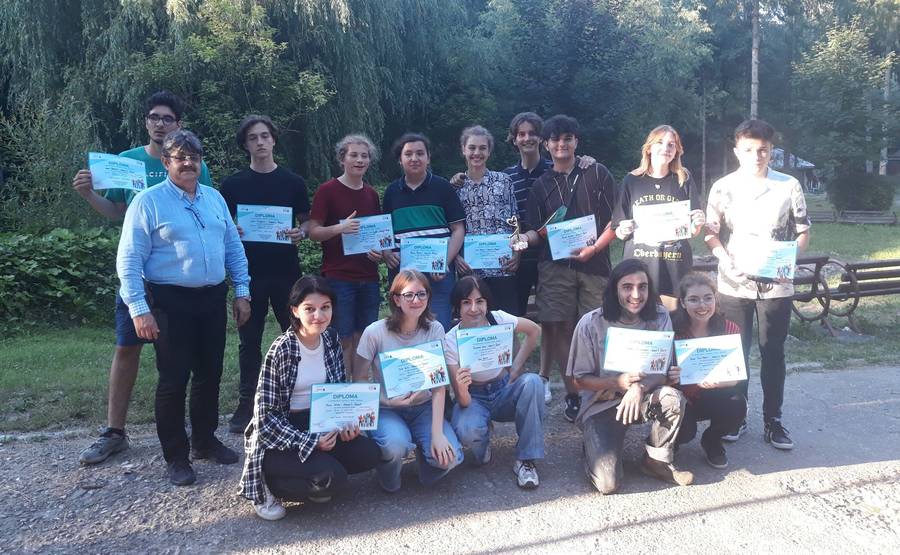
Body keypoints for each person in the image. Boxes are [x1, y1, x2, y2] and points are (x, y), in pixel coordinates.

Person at [72, 91, 213, 465]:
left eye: (167, 118)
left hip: (178, 283)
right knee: (127, 348)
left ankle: (199, 435)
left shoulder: (194, 163)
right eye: (154, 117)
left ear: (178, 124)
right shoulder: (127, 161)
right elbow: (116, 211)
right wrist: (88, 195)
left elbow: (205, 209)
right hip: (138, 276)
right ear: (146, 122)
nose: (160, 124)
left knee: (183, 361)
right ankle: (114, 431)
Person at [117, 130, 250, 486]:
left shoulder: (214, 198)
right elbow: (129, 259)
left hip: (211, 298)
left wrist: (242, 291)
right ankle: (176, 456)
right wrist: (138, 309)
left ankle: (204, 441)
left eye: (194, 157)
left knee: (210, 373)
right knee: (174, 379)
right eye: (180, 157)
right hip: (169, 302)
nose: (188, 163)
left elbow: (233, 247)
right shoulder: (148, 202)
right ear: (166, 161)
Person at [705, 119, 811, 449]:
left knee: (772, 352)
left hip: (775, 284)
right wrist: (723, 258)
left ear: (771, 151)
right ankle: (735, 415)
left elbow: (803, 231)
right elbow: (710, 232)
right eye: (749, 149)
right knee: (736, 351)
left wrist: (789, 259)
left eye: (762, 150)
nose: (756, 156)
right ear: (737, 151)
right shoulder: (722, 187)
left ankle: (773, 420)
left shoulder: (788, 185)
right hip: (734, 282)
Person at [238, 276, 380, 521]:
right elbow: (265, 419)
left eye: (325, 307)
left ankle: (317, 472)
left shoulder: (331, 339)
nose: (319, 316)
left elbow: (337, 393)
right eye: (309, 309)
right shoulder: (282, 349)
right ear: (295, 310)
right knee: (333, 477)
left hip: (320, 422)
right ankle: (267, 484)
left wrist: (346, 424)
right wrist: (311, 442)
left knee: (370, 454)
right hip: (281, 433)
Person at [567, 259, 693, 494]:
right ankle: (592, 448)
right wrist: (617, 383)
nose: (636, 295)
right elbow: (578, 380)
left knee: (672, 398)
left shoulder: (660, 317)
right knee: (607, 485)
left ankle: (655, 460)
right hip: (602, 404)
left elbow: (662, 370)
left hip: (644, 396)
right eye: (627, 287)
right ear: (614, 289)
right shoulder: (591, 323)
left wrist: (638, 388)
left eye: (642, 287)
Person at [522, 115, 617, 423]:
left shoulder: (597, 172)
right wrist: (523, 239)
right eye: (555, 139)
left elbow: (615, 220)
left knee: (597, 328)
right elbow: (535, 231)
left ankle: (600, 390)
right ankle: (573, 394)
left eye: (567, 138)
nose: (561, 144)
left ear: (576, 141)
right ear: (546, 144)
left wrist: (595, 248)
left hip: (595, 263)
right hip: (555, 266)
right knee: (562, 328)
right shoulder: (541, 185)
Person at [220, 115, 311, 434]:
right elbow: (221, 224)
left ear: (273, 140)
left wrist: (301, 232)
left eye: (264, 136)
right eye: (252, 138)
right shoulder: (232, 185)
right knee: (249, 341)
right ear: (245, 145)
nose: (260, 142)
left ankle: (294, 400)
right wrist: (231, 229)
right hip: (249, 274)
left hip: (286, 272)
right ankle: (247, 403)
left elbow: (307, 222)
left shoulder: (293, 182)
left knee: (296, 337)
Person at [352, 270, 464, 492]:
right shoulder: (375, 332)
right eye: (408, 295)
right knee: (396, 445)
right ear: (396, 299)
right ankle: (388, 474)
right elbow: (359, 379)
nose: (416, 300)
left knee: (451, 457)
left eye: (422, 294)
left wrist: (437, 434)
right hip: (386, 409)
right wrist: (387, 400)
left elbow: (439, 386)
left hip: (424, 408)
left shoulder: (435, 329)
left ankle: (425, 462)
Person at [444, 276, 544, 488]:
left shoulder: (498, 319)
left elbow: (534, 330)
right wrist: (461, 387)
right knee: (467, 429)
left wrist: (516, 367)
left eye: (479, 301)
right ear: (457, 307)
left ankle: (526, 460)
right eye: (466, 302)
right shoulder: (451, 340)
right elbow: (463, 401)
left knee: (534, 382)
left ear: (487, 303)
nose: (474, 309)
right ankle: (483, 442)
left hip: (504, 389)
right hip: (474, 397)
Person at [308, 134, 383, 372]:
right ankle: (342, 387)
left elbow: (376, 235)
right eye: (354, 155)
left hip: (369, 277)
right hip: (339, 277)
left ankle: (359, 386)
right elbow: (313, 232)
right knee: (343, 338)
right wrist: (340, 228)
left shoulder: (371, 194)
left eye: (364, 156)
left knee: (364, 338)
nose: (359, 160)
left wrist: (379, 252)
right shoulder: (327, 191)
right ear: (342, 159)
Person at [612, 125, 706, 311]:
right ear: (649, 148)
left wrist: (698, 223)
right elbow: (618, 230)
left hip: (674, 265)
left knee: (673, 321)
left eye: (671, 144)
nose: (666, 148)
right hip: (639, 266)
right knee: (639, 322)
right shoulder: (631, 180)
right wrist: (623, 229)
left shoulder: (684, 178)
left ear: (677, 150)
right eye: (660, 143)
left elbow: (692, 231)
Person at [381, 133, 467, 330]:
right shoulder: (391, 192)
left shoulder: (443, 187)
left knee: (439, 328)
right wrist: (387, 252)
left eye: (420, 153)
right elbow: (385, 230)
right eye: (408, 154)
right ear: (400, 160)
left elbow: (458, 229)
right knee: (405, 329)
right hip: (403, 275)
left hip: (438, 274)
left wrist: (444, 262)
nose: (414, 158)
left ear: (428, 158)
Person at [666, 273, 747, 469]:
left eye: (708, 298)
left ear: (715, 299)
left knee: (738, 405)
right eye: (693, 299)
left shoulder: (729, 328)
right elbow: (658, 373)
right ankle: (668, 442)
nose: (702, 305)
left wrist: (724, 381)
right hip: (681, 396)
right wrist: (670, 377)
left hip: (713, 392)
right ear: (683, 303)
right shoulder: (671, 329)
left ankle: (712, 440)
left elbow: (736, 373)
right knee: (686, 431)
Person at [451, 126, 519, 313]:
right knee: (476, 321)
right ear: (463, 150)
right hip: (470, 270)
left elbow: (515, 221)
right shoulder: (454, 187)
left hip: (503, 267)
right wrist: (455, 257)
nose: (477, 153)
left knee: (506, 321)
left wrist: (517, 254)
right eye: (472, 147)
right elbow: (451, 228)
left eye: (482, 148)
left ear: (489, 151)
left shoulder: (503, 181)